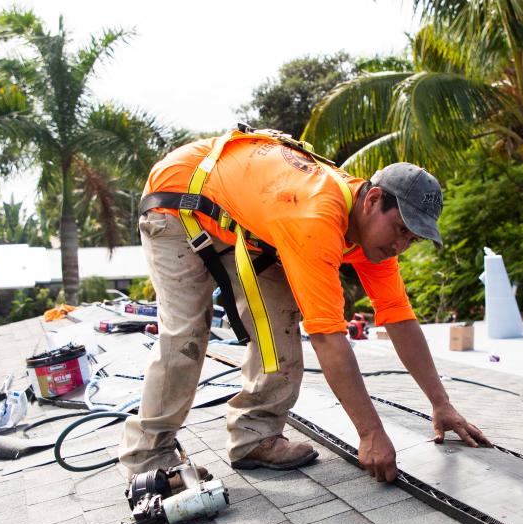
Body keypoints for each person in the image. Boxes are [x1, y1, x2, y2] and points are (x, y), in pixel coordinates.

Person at [118, 127, 489, 483]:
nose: (400, 246)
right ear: (373, 200)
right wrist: (371, 434)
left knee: (279, 316)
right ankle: (148, 455)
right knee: (188, 331)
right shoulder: (316, 218)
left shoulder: (372, 238)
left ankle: (254, 435)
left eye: (412, 239)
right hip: (177, 198)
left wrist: (441, 404)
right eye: (400, 230)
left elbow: (399, 319)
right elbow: (328, 337)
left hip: (238, 218)